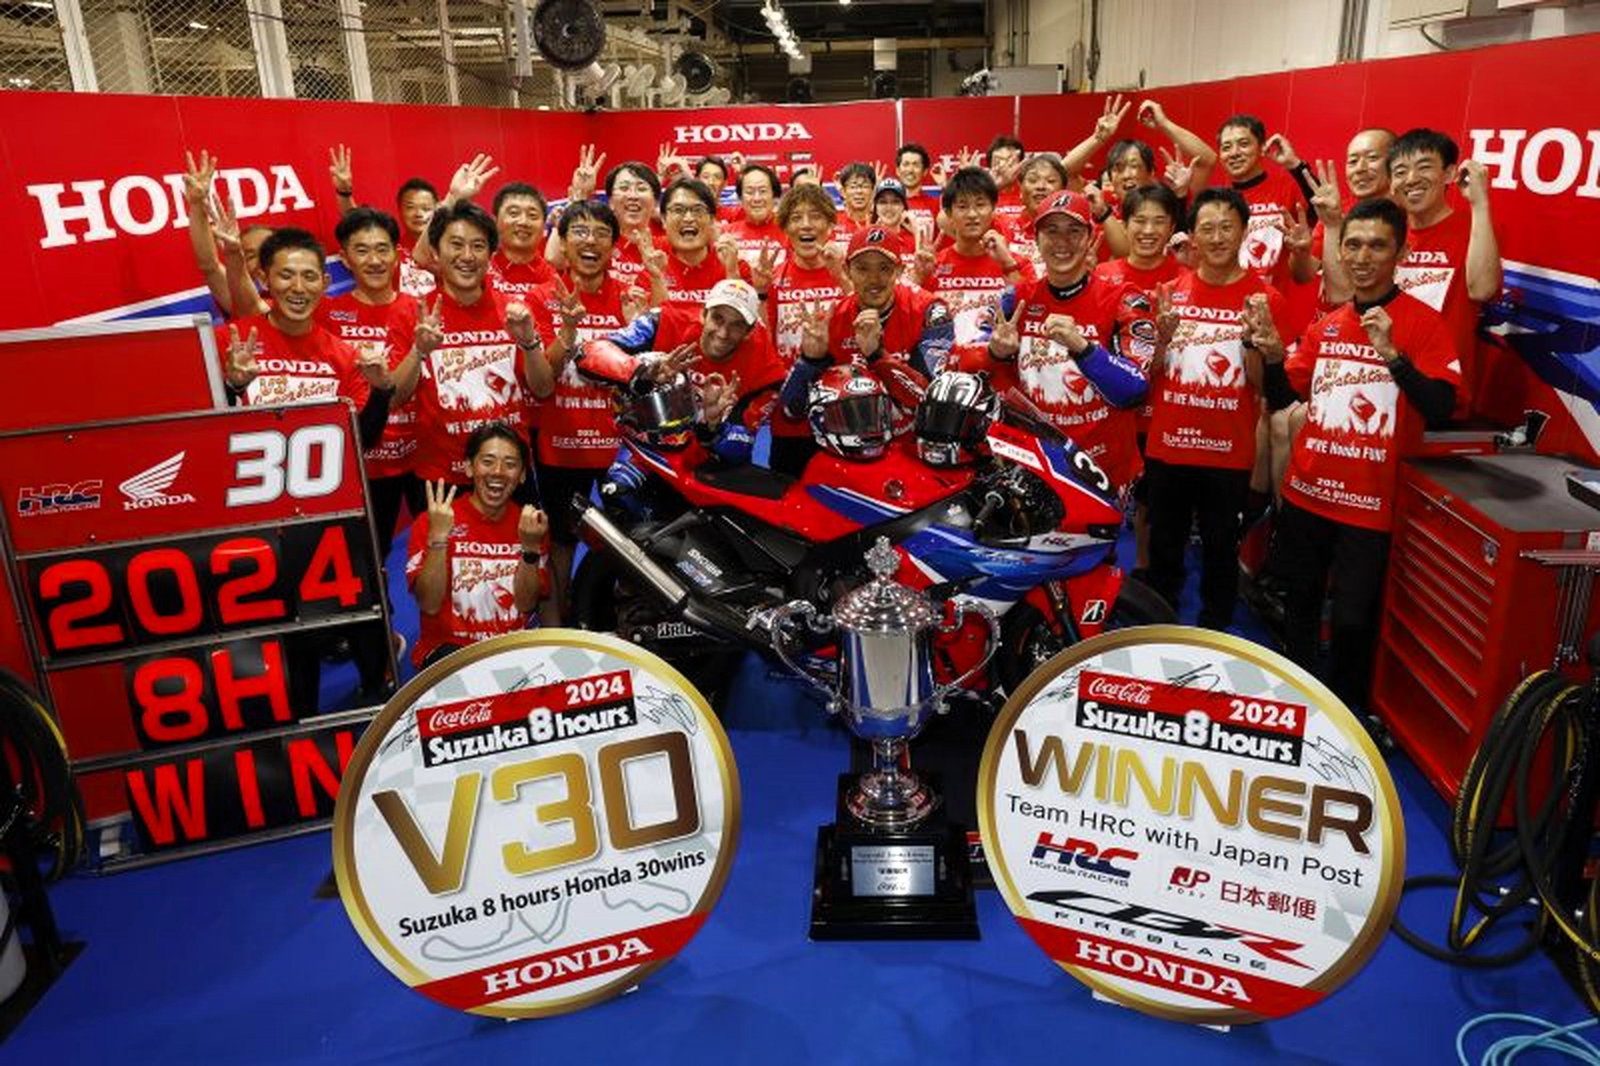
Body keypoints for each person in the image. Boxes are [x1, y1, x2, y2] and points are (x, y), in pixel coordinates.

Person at [1257, 198, 1460, 709]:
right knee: (1300, 603)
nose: (1363, 256)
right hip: (1307, 493)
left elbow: (1442, 407)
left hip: (1369, 509)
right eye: (1353, 244)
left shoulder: (1423, 325)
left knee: (1352, 620)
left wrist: (1394, 358)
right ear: (1341, 252)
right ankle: (1298, 698)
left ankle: (1348, 715)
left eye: (1377, 245)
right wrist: (1273, 356)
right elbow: (1285, 398)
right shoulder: (1328, 325)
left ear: (1401, 253)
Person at [1143, 188, 1290, 632]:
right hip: (1170, 446)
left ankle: (1214, 630)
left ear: (1245, 231)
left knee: (1221, 549)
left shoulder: (1264, 300)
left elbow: (1264, 387)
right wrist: (1164, 339)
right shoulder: (1168, 294)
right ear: (1193, 235)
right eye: (1207, 227)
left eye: (1227, 227)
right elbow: (1146, 377)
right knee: (1164, 547)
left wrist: (1254, 341)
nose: (1218, 237)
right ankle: (1157, 623)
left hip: (1228, 451)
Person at [972, 190, 1152, 492]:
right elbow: (971, 369)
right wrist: (995, 353)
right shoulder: (1016, 300)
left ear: (1090, 237)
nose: (1061, 242)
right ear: (1036, 239)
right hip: (1035, 466)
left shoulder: (1125, 299)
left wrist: (1083, 348)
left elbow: (1135, 391)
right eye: (1051, 231)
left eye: (1073, 231)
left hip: (1105, 470)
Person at [386, 200, 553, 484]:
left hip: (509, 471)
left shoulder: (513, 310)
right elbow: (392, 399)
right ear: (436, 252)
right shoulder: (413, 313)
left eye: (477, 246)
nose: (467, 256)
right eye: (456, 244)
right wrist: (419, 351)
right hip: (441, 474)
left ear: (490, 254)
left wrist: (529, 342)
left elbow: (544, 388)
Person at [526, 200, 638, 624]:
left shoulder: (632, 297)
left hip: (621, 450)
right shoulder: (541, 298)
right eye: (580, 232)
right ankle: (557, 630)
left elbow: (646, 374)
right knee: (559, 542)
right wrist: (568, 333)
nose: (590, 241)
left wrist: (638, 324)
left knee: (629, 542)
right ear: (563, 242)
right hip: (561, 446)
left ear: (614, 244)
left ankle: (625, 623)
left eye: (601, 233)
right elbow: (544, 381)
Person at [217, 227, 396, 452]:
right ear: (264, 279)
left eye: (309, 276)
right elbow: (203, 431)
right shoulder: (229, 342)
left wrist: (381, 391)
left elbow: (361, 444)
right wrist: (233, 386)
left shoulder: (347, 357)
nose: (299, 288)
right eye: (286, 275)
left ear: (325, 283)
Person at [580, 278, 784, 466]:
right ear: (704, 315)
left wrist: (713, 426)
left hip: (709, 462)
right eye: (718, 319)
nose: (723, 333)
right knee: (620, 490)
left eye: (736, 325)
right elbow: (589, 352)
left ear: (749, 331)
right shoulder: (662, 321)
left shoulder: (765, 368)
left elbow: (741, 449)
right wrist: (641, 373)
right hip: (649, 449)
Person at [318, 207, 423, 559]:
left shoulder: (421, 309)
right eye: (362, 250)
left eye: (382, 249)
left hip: (422, 457)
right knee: (369, 559)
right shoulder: (328, 312)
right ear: (345, 259)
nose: (374, 260)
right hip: (365, 462)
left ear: (397, 254)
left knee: (436, 552)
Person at [777, 227, 949, 439]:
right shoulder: (832, 320)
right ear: (847, 270)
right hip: (852, 445)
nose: (874, 279)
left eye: (884, 268)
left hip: (914, 444)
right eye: (862, 268)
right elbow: (790, 412)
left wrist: (877, 355)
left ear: (899, 270)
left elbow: (932, 400)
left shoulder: (930, 311)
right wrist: (810, 361)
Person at [406, 423, 550, 668]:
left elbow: (526, 604)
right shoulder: (433, 520)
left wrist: (529, 549)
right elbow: (429, 604)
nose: (498, 471)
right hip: (448, 655)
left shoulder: (530, 525)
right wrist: (439, 538)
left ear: (523, 475)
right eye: (488, 461)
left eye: (510, 464)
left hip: (510, 653)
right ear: (469, 467)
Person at [1386, 128, 1501, 416]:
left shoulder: (1472, 228)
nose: (1411, 179)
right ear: (1391, 183)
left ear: (1450, 174)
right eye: (1400, 171)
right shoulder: (1387, 234)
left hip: (1438, 391)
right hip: (1382, 383)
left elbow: (1483, 289)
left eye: (1424, 167)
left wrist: (1480, 203)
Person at [762, 183, 850, 474]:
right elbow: (763, 342)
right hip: (790, 419)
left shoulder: (847, 272)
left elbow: (866, 323)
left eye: (815, 216)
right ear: (785, 228)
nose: (806, 224)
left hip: (844, 412)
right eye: (796, 217)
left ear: (830, 224)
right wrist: (761, 293)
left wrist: (842, 279)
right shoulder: (772, 279)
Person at [918, 166, 1035, 361]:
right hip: (946, 373)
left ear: (993, 208)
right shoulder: (934, 266)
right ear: (948, 212)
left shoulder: (1016, 262)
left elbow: (1032, 311)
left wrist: (1007, 264)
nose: (972, 214)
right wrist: (920, 277)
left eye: (980, 205)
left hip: (1002, 371)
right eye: (962, 206)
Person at [659, 177, 750, 311]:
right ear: (663, 219)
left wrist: (731, 274)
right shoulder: (653, 271)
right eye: (678, 210)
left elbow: (749, 328)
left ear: (713, 220)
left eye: (698, 210)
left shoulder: (737, 267)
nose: (688, 218)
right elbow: (650, 326)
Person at [1005, 153, 1070, 275]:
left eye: (1050, 181)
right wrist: (998, 185)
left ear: (1063, 191)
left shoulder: (1075, 230)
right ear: (1020, 190)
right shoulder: (1003, 226)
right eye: (1033, 180)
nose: (1041, 187)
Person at [727, 164, 786, 271]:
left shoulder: (790, 232)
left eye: (763, 191)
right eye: (750, 192)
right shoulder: (726, 234)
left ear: (774, 196)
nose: (756, 198)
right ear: (740, 198)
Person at [895, 142, 943, 239]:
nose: (910, 170)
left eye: (916, 165)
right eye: (906, 164)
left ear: (925, 171)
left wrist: (944, 185)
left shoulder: (936, 204)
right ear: (898, 171)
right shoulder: (886, 205)